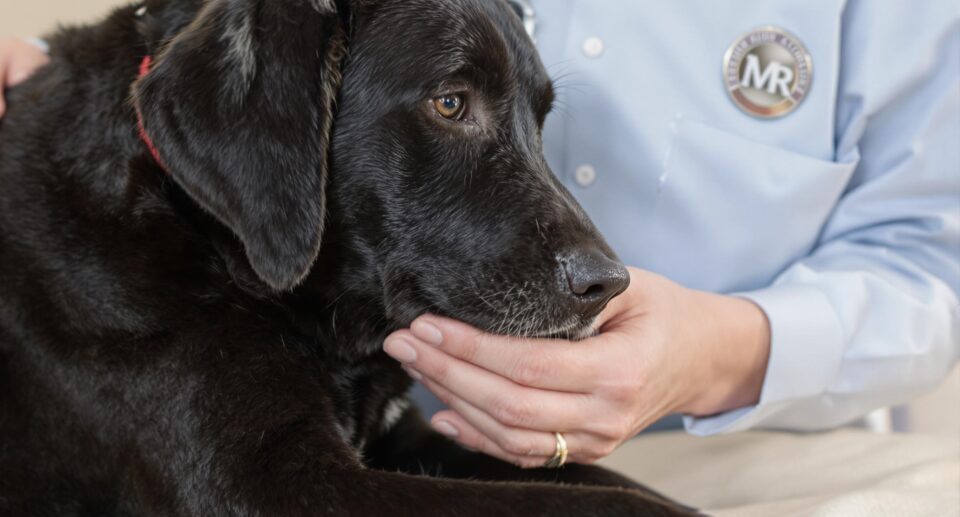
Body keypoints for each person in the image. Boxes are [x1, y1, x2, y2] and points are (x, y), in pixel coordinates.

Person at [2, 0, 957, 471]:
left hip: (770, 455)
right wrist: (72, 109)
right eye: (454, 101)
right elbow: (236, 65)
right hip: (380, 419)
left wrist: (716, 354)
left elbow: (931, 258)